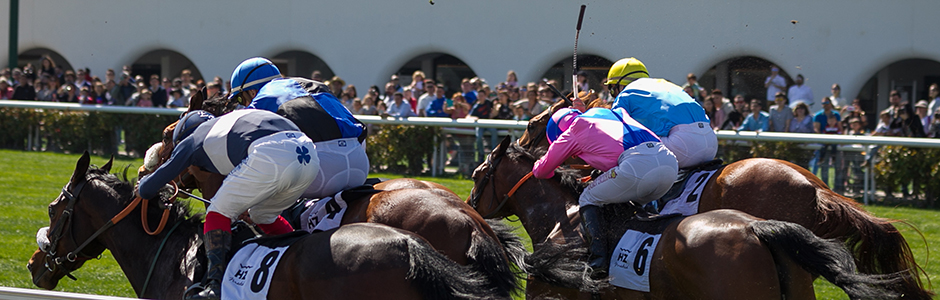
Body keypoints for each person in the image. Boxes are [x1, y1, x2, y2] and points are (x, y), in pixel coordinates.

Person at [137, 109, 319, 300]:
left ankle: (214, 287)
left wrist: (141, 183)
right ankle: (304, 257)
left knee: (217, 212)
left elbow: (147, 189)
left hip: (271, 155)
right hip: (309, 158)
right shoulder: (228, 126)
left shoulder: (191, 140)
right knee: (261, 216)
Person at [533, 107, 677, 278]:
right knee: (627, 201)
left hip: (637, 166)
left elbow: (541, 171)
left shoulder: (573, 129)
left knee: (588, 198)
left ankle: (598, 261)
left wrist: (538, 166)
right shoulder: (608, 113)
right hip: (670, 164)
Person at [235, 57, 369, 200]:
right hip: (360, 164)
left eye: (240, 99)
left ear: (251, 92)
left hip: (320, 172)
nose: (243, 104)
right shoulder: (313, 83)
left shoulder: (261, 98)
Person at [606, 57, 717, 168]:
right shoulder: (664, 84)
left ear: (620, 85)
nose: (613, 96)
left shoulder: (625, 94)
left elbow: (613, 135)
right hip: (711, 142)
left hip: (683, 146)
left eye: (611, 90)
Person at [811, 98, 840, 186]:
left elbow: (840, 128)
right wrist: (824, 139)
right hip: (823, 143)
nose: (825, 105)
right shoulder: (818, 115)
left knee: (838, 167)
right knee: (824, 167)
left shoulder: (836, 114)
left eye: (827, 103)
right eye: (823, 103)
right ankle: (825, 186)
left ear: (830, 104)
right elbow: (817, 129)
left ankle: (838, 187)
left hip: (835, 143)